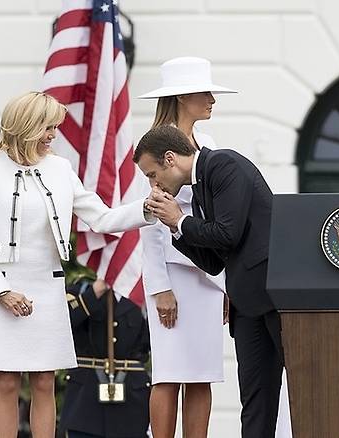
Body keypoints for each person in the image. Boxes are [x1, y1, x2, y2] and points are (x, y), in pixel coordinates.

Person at [0, 91, 155, 438]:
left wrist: (146, 208)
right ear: (27, 126)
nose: (53, 134)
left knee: (44, 382)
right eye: (48, 126)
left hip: (46, 288)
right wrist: (1, 292)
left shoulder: (61, 169)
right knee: (5, 382)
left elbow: (102, 218)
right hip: (1, 288)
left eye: (55, 127)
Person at [134, 125, 283, 438]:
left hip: (274, 296)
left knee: (301, 384)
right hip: (246, 302)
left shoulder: (224, 165)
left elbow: (228, 234)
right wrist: (176, 230)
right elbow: (214, 261)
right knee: (255, 396)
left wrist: (181, 221)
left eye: (151, 174)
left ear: (170, 159)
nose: (153, 184)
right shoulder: (199, 184)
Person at [135, 57, 234, 438]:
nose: (211, 98)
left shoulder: (208, 144)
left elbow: (217, 217)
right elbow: (148, 223)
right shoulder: (155, 145)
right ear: (182, 97)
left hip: (207, 274)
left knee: (202, 372)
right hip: (173, 275)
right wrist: (160, 288)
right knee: (170, 371)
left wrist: (225, 283)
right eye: (204, 92)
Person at [59, 278, 151, 438]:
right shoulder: (81, 289)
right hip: (85, 404)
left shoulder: (145, 293)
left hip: (132, 404)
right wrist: (95, 292)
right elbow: (62, 324)